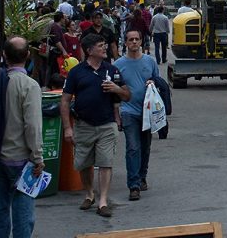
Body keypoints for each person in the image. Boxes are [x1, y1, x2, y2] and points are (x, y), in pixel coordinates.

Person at [0, 37, 44, 238]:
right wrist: (37, 157)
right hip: (22, 160)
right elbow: (33, 126)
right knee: (23, 215)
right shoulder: (29, 86)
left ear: (4, 55)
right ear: (28, 55)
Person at [61, 33, 129, 218]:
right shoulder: (76, 72)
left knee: (106, 162)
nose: (105, 48)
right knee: (84, 163)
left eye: (104, 44)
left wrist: (116, 89)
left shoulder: (112, 70)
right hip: (83, 125)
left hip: (107, 125)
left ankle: (103, 201)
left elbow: (127, 95)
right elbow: (65, 100)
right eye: (101, 45)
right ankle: (90, 193)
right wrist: (68, 127)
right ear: (90, 50)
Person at [114, 30, 161, 200]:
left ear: (141, 41)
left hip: (148, 113)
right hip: (128, 111)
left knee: (145, 147)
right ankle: (133, 185)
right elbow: (114, 93)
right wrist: (117, 116)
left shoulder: (150, 62)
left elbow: (159, 82)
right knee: (133, 147)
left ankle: (142, 176)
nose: (134, 42)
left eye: (136, 39)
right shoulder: (119, 65)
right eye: (130, 40)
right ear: (125, 43)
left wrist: (153, 82)